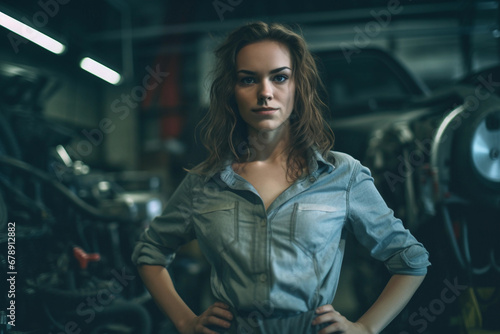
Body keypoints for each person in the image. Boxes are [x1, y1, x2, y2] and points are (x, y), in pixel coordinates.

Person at [132, 21, 431, 334]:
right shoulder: (205, 182)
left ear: (297, 86)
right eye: (248, 79)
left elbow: (410, 259)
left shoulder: (342, 175)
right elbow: (150, 252)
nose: (265, 93)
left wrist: (366, 328)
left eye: (280, 77)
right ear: (231, 92)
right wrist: (184, 320)